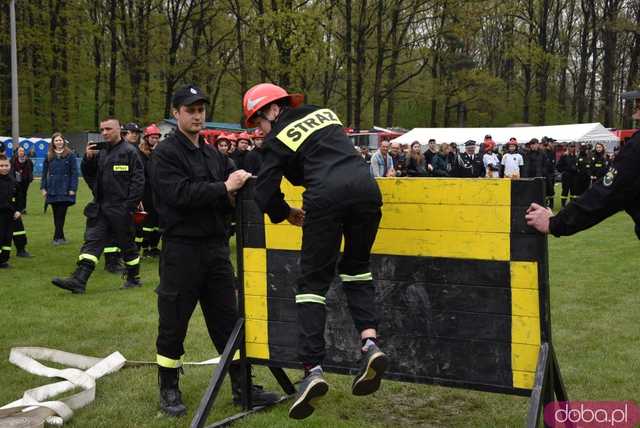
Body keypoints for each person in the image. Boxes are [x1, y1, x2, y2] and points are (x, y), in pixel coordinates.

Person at [243, 82, 388, 420]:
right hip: (367, 191)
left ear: (271, 110)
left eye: (258, 122)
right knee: (356, 268)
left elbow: (263, 192)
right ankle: (370, 344)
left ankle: (312, 369)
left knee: (311, 287)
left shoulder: (276, 138)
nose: (260, 131)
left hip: (325, 197)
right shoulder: (324, 113)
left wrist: (284, 212)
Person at [151, 84, 279, 417]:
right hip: (182, 250)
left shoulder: (212, 154)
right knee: (174, 321)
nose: (197, 115)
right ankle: (168, 387)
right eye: (190, 110)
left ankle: (241, 385)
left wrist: (237, 189)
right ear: (176, 112)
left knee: (228, 321)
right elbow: (179, 194)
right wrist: (224, 187)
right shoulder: (166, 154)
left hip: (215, 249)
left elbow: (230, 192)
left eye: (201, 109)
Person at [51, 117, 144, 294]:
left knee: (127, 246)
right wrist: (88, 159)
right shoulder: (101, 152)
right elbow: (90, 175)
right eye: (102, 130)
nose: (104, 133)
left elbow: (138, 182)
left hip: (121, 208)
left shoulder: (130, 152)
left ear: (119, 130)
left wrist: (128, 207)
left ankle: (133, 278)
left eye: (108, 129)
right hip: (101, 207)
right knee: (92, 241)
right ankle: (79, 280)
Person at [525, 104, 640, 242]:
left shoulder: (636, 146)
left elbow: (606, 194)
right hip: (569, 176)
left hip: (583, 178)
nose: (635, 109)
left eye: (638, 104)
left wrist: (556, 223)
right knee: (564, 192)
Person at [41, 132, 79, 245]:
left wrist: (73, 188)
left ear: (64, 141)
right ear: (53, 142)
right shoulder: (48, 155)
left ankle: (57, 237)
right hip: (52, 188)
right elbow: (44, 173)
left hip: (65, 188)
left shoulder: (70, 154)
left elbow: (74, 173)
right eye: (56, 140)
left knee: (61, 214)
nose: (58, 142)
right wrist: (43, 188)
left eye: (60, 140)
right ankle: (59, 237)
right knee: (56, 214)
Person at [139, 124, 162, 258]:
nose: (155, 140)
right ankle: (145, 247)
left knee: (157, 221)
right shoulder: (141, 154)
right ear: (146, 138)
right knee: (147, 222)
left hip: (158, 192)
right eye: (152, 137)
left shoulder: (158, 153)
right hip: (146, 192)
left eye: (156, 138)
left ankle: (154, 246)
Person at [0, 154, 21, 268]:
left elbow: (19, 197)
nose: (4, 168)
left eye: (6, 165)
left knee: (7, 237)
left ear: (10, 166)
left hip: (10, 215)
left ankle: (4, 260)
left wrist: (18, 210)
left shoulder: (13, 181)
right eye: (1, 166)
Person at [11, 147, 34, 214]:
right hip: (16, 180)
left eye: (22, 151)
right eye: (20, 151)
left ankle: (23, 209)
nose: (21, 152)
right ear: (17, 152)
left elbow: (31, 168)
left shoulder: (28, 160)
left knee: (24, 194)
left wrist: (29, 176)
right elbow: (11, 169)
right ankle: (17, 208)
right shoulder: (13, 160)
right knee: (17, 194)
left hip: (25, 180)